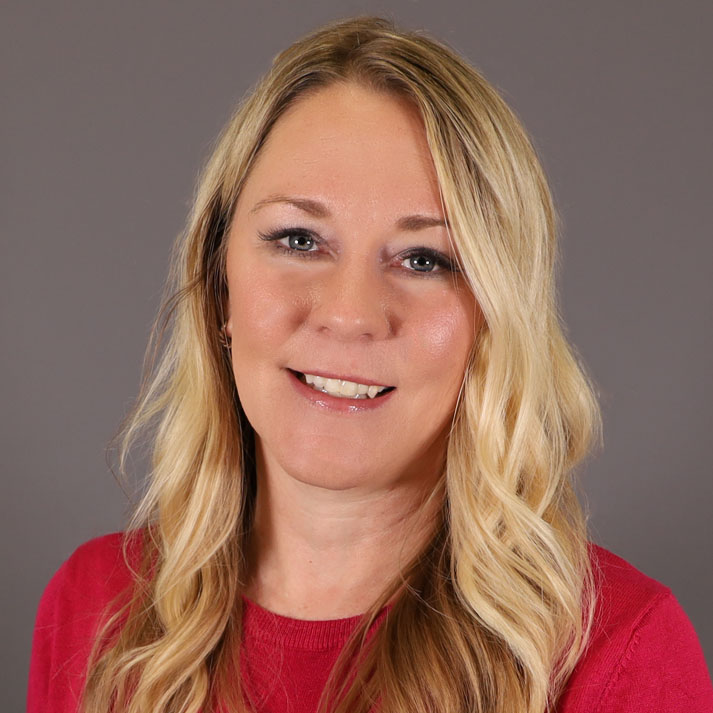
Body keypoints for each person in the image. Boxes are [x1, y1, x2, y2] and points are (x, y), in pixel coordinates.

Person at [27, 16, 712, 713]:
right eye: (298, 239)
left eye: (424, 259)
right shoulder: (93, 611)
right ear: (219, 284)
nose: (350, 313)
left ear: (494, 321)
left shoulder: (616, 653)